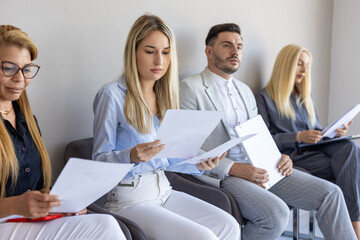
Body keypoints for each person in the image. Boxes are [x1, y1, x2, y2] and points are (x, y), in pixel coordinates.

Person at [179, 23, 357, 240]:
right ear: (209, 51)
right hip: (225, 174)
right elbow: (187, 148)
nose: (235, 52)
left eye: (239, 46)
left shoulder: (244, 91)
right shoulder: (190, 88)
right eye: (227, 45)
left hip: (262, 166)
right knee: (276, 213)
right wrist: (234, 168)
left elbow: (259, 135)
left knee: (331, 193)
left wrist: (279, 156)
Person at [92, 15, 240, 240]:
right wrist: (130, 155)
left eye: (166, 52)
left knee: (229, 225)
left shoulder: (165, 96)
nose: (159, 61)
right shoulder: (111, 95)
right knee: (204, 237)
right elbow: (98, 161)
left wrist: (200, 164)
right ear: (133, 52)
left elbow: (168, 157)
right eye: (150, 52)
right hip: (128, 199)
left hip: (164, 190)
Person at [0, 25, 125, 239]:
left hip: (27, 222)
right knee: (105, 226)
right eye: (9, 68)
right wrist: (15, 205)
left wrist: (59, 203)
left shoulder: (28, 120)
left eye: (27, 69)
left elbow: (38, 188)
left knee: (104, 225)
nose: (20, 78)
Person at [255, 43, 360, 239]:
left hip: (315, 152)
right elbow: (264, 140)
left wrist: (333, 133)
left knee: (350, 148)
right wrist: (298, 137)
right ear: (286, 65)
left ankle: (354, 226)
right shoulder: (265, 98)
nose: (304, 70)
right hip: (292, 157)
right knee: (351, 169)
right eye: (299, 64)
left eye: (307, 65)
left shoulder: (304, 97)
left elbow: (316, 131)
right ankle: (355, 229)